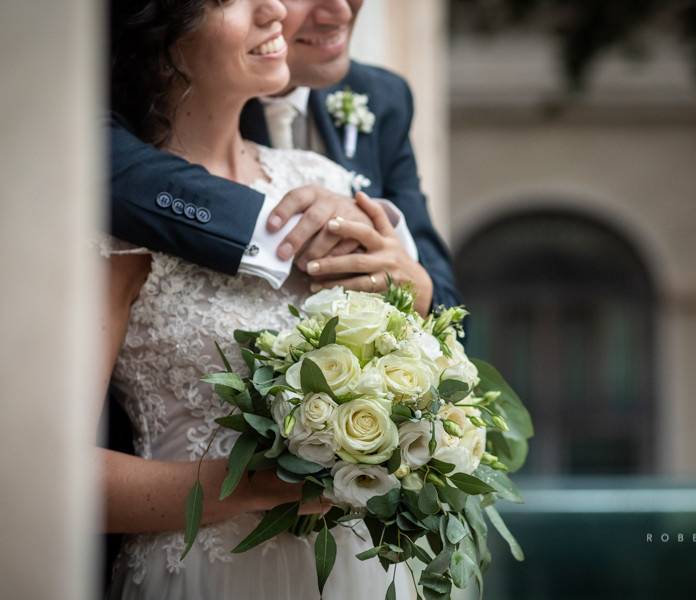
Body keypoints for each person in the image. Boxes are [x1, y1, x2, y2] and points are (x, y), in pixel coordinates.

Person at [101, 1, 418, 597]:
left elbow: (421, 340)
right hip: (202, 569)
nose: (275, 8)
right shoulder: (119, 223)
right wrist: (260, 485)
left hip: (358, 568)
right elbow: (54, 478)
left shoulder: (326, 183)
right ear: (162, 34)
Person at [108, 0, 459, 312]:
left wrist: (413, 286)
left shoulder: (381, 97)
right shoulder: (145, 115)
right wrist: (290, 232)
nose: (340, 11)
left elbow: (448, 310)